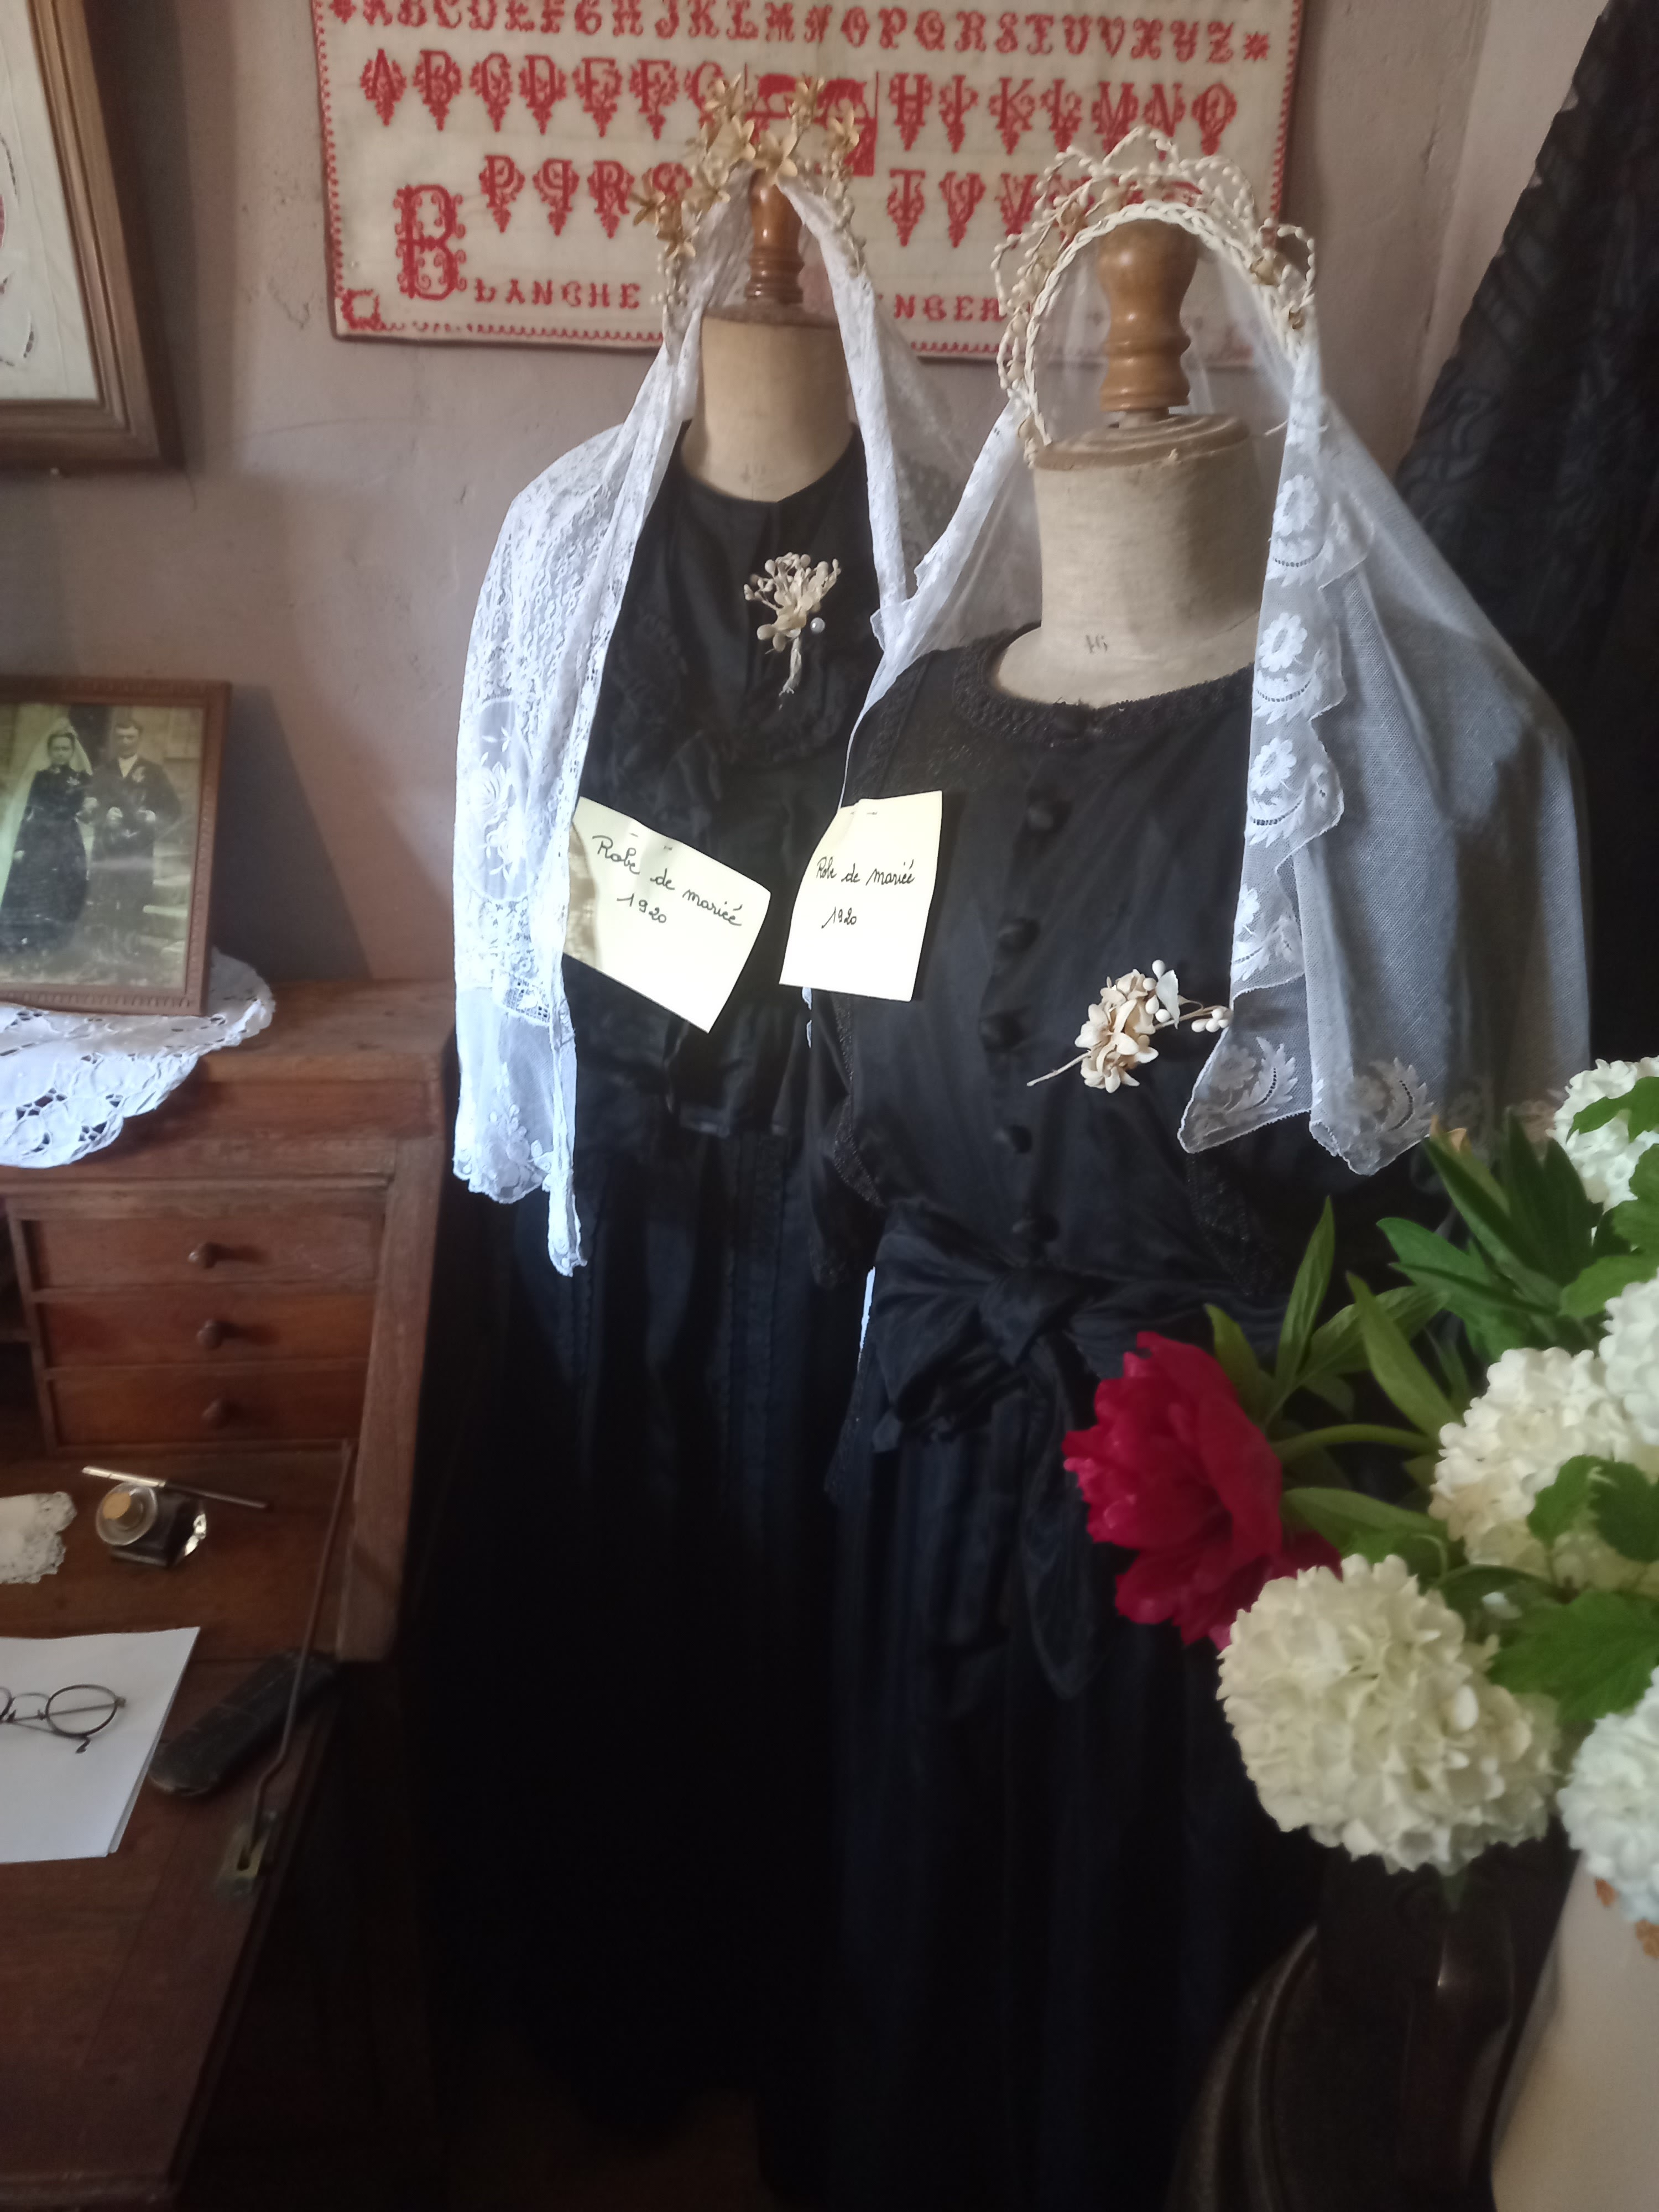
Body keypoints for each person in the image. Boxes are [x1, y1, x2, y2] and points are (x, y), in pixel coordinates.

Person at [82, 719, 181, 958]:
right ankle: (103, 951)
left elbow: (173, 808)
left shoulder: (154, 772)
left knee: (133, 896)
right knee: (104, 895)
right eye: (121, 737)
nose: (125, 742)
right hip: (107, 846)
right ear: (114, 739)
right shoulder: (102, 772)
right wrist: (103, 814)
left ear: (139, 739)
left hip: (138, 845)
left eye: (131, 737)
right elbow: (87, 807)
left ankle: (127, 950)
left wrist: (153, 817)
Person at [0, 725, 91, 957]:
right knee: (36, 888)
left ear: (72, 751)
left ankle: (58, 943)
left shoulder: (81, 778)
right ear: (49, 751)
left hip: (67, 838)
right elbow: (28, 811)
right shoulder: (39, 777)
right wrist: (21, 845)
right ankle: (33, 941)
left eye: (65, 749)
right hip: (39, 837)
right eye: (56, 749)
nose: (60, 753)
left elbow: (86, 810)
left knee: (66, 886)